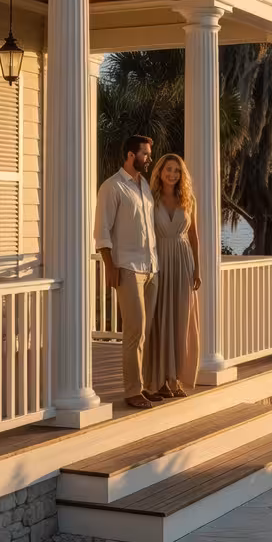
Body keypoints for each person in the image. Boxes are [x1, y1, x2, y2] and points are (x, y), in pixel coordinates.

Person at [94, 135, 159, 409]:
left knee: (147, 330)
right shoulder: (112, 187)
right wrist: (110, 266)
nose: (149, 158)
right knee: (135, 329)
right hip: (128, 267)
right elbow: (102, 232)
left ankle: (144, 386)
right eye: (145, 154)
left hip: (152, 267)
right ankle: (132, 390)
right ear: (131, 155)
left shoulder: (144, 185)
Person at [144, 154, 201, 399]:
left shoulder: (188, 199)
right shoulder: (150, 198)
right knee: (159, 320)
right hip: (158, 263)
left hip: (182, 262)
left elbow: (194, 236)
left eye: (177, 171)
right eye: (169, 169)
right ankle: (159, 381)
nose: (173, 174)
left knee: (179, 321)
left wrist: (197, 268)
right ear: (160, 172)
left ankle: (176, 378)